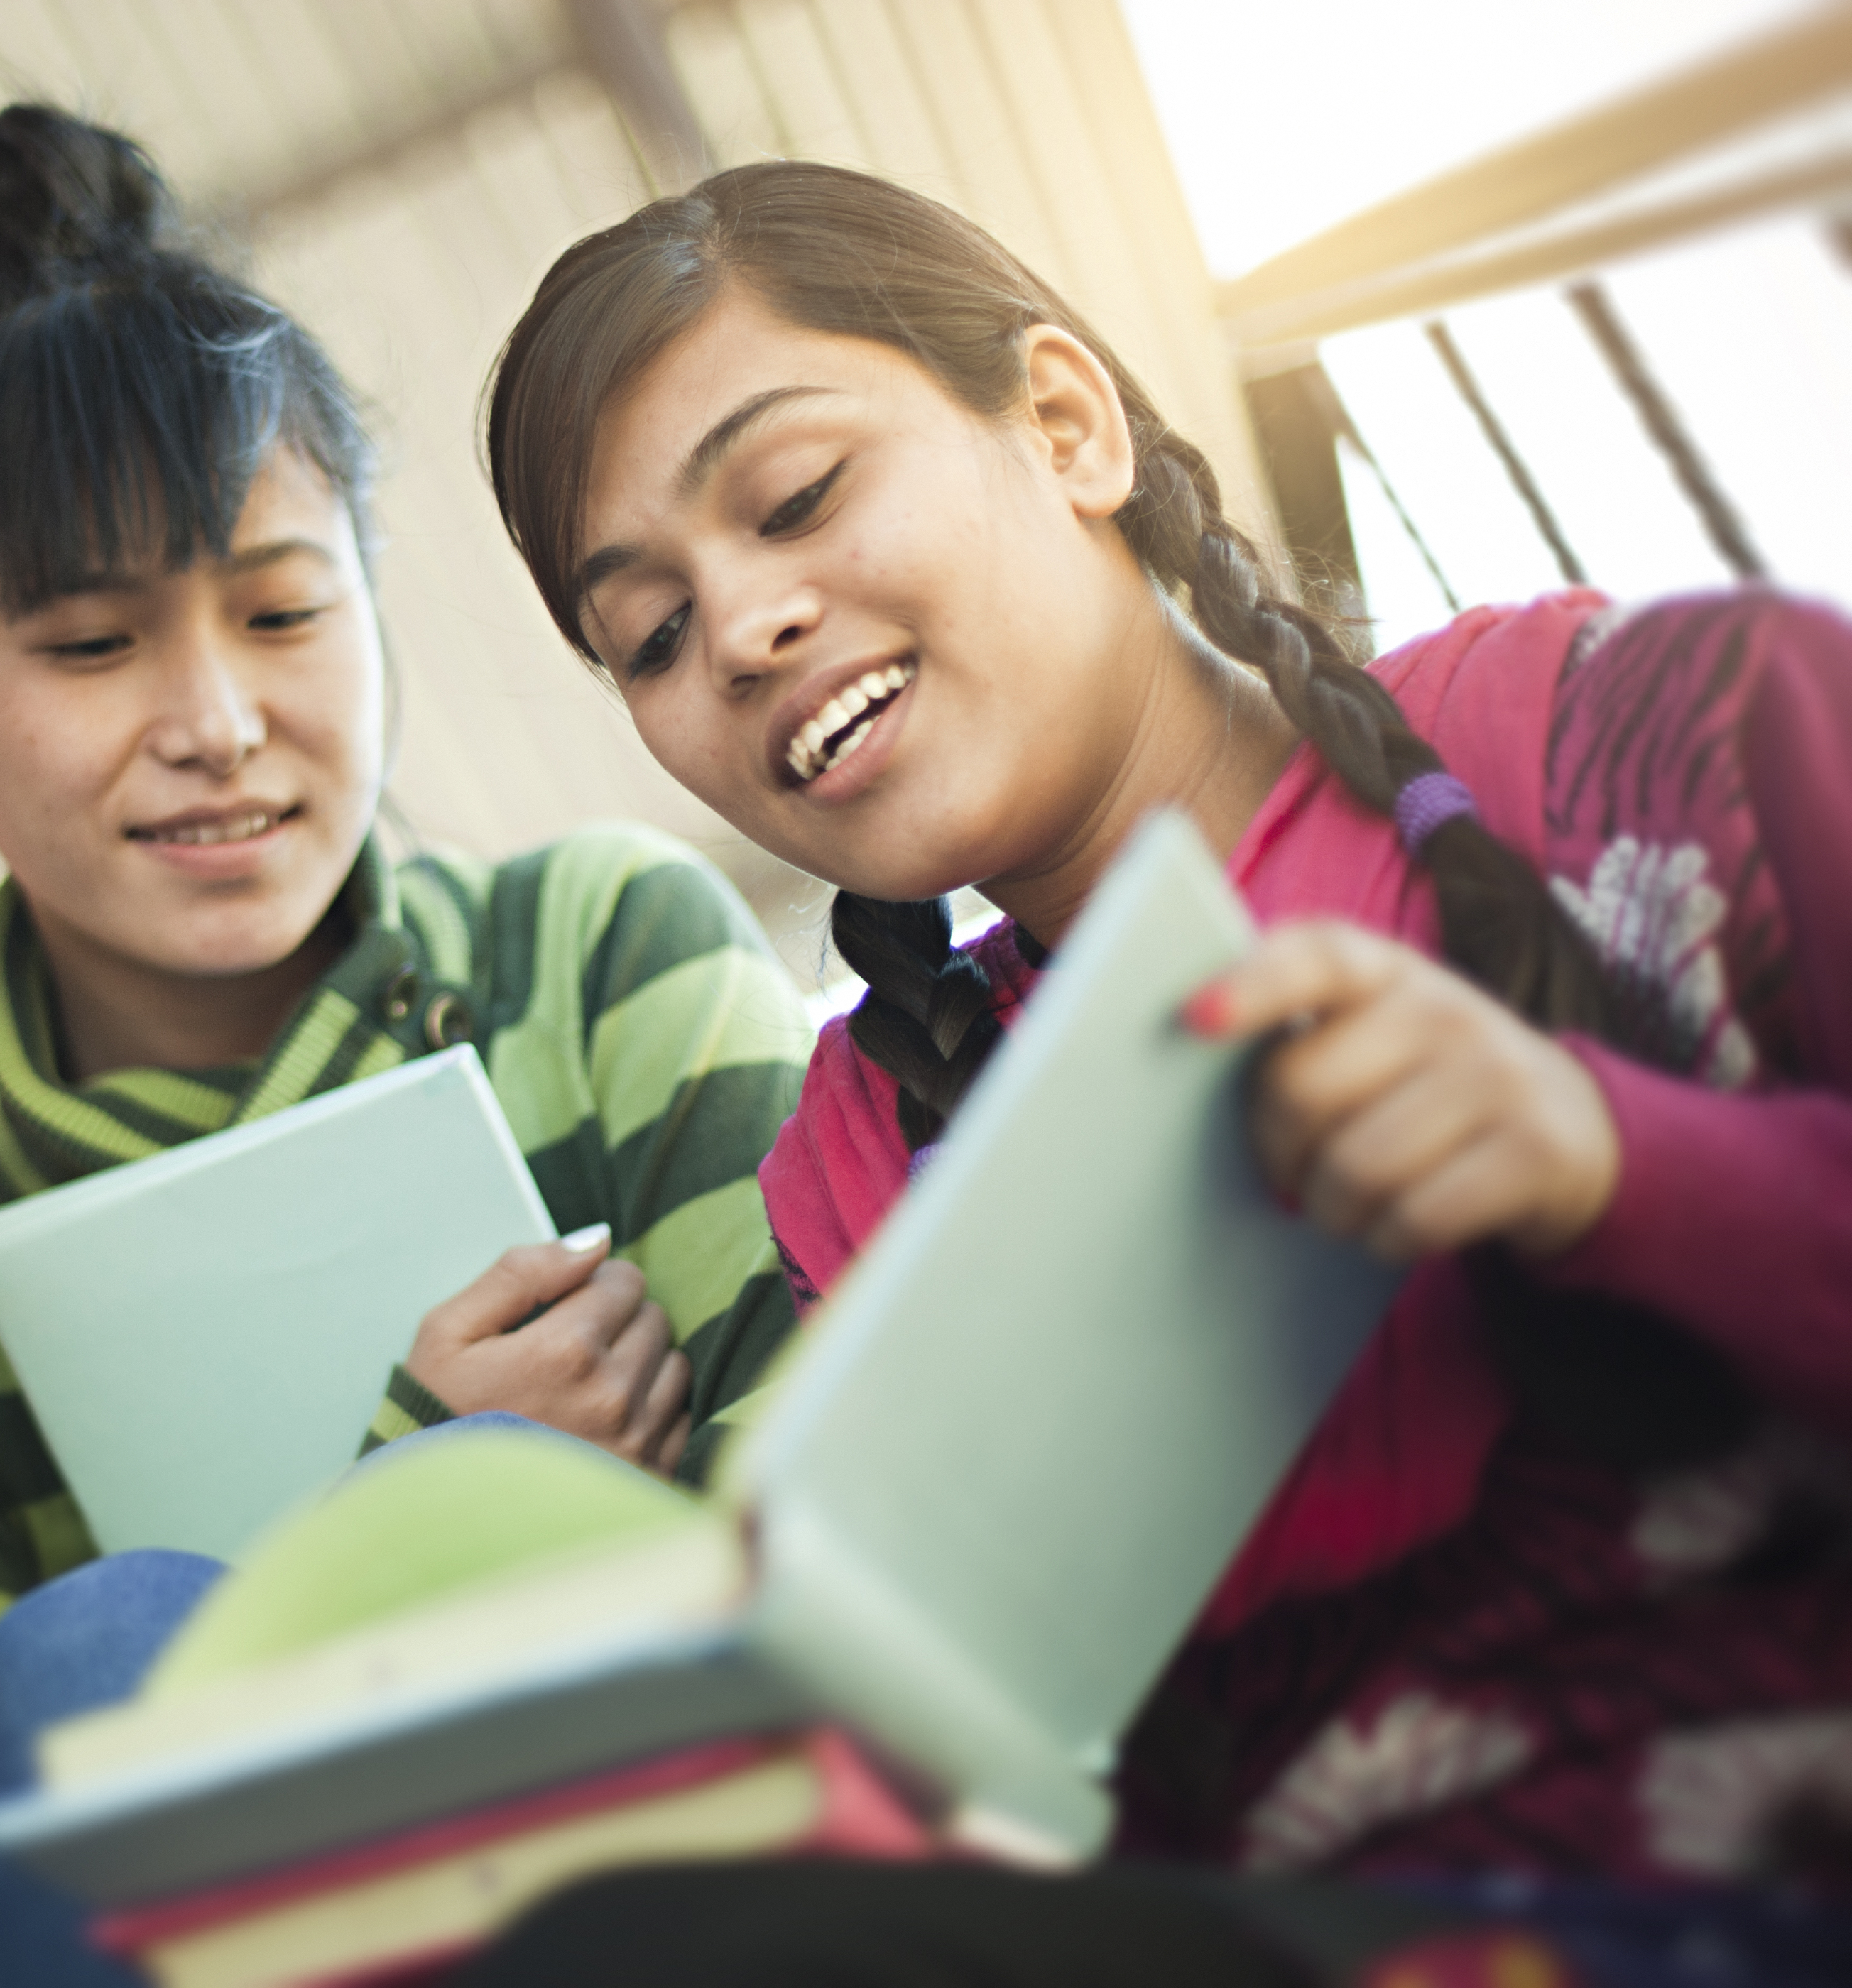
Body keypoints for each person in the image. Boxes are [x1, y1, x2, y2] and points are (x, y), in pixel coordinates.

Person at [453, 160, 1852, 1983]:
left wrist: (1608, 1157)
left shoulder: (1664, 731)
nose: (735, 629)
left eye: (795, 495)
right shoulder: (861, 1165)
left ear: (1063, 422)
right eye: (645, 633)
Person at [0, 105, 815, 1616]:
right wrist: (431, 1498)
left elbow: (819, 1508)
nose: (216, 724)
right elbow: (37, 1829)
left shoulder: (603, 955)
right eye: (90, 643)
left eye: (281, 615)